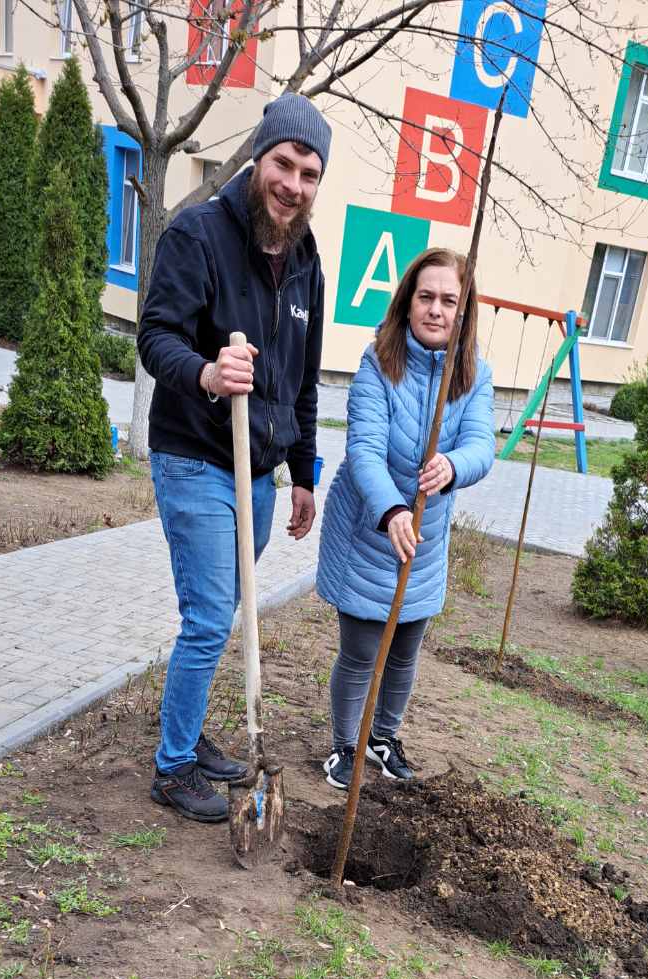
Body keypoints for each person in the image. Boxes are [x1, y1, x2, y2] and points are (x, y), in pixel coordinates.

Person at [138, 92, 331, 822]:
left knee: (226, 613)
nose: (293, 185)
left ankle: (188, 737)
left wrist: (305, 473)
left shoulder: (306, 259)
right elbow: (155, 337)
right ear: (258, 157)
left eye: (309, 174)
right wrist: (208, 373)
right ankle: (172, 767)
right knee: (211, 612)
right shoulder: (199, 234)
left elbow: (304, 380)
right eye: (284, 164)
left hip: (260, 471)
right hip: (194, 455)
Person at [314, 247, 495, 788]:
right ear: (408, 302)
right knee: (361, 651)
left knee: (405, 651)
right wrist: (391, 508)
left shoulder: (473, 375)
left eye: (449, 300)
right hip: (369, 531)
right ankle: (344, 746)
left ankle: (383, 739)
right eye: (426, 297)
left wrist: (454, 465)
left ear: (463, 310)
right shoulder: (379, 363)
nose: (436, 309)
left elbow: (482, 444)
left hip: (426, 538)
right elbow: (364, 450)